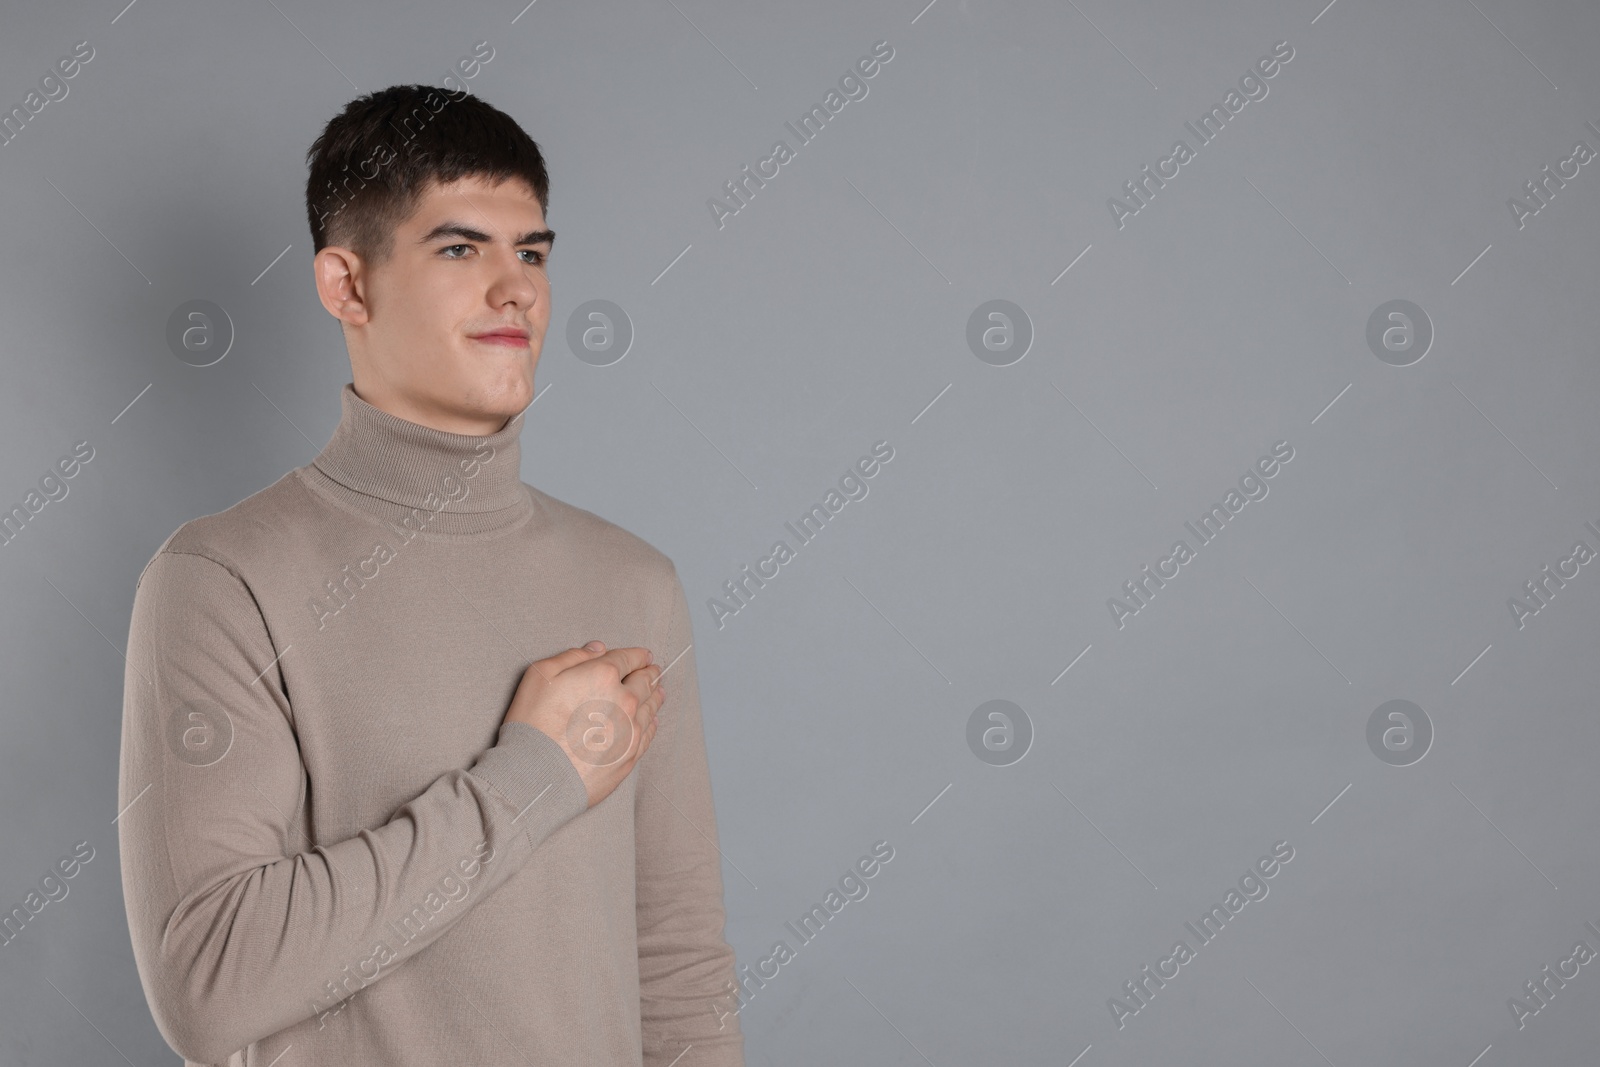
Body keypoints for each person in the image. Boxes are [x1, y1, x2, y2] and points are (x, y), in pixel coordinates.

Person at [117, 83, 743, 1067]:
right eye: (460, 249)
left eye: (530, 252)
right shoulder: (222, 577)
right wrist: (533, 776)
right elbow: (210, 979)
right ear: (346, 286)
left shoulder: (634, 584)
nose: (517, 289)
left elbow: (680, 973)